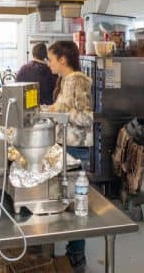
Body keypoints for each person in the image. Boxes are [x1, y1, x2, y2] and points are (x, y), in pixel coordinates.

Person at [46, 41, 93, 271]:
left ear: (62, 59)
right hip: (64, 146)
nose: (49, 64)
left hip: (75, 148)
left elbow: (86, 118)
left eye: (51, 59)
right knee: (66, 203)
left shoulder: (78, 80)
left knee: (76, 206)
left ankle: (77, 256)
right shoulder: (65, 81)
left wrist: (60, 112)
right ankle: (71, 253)